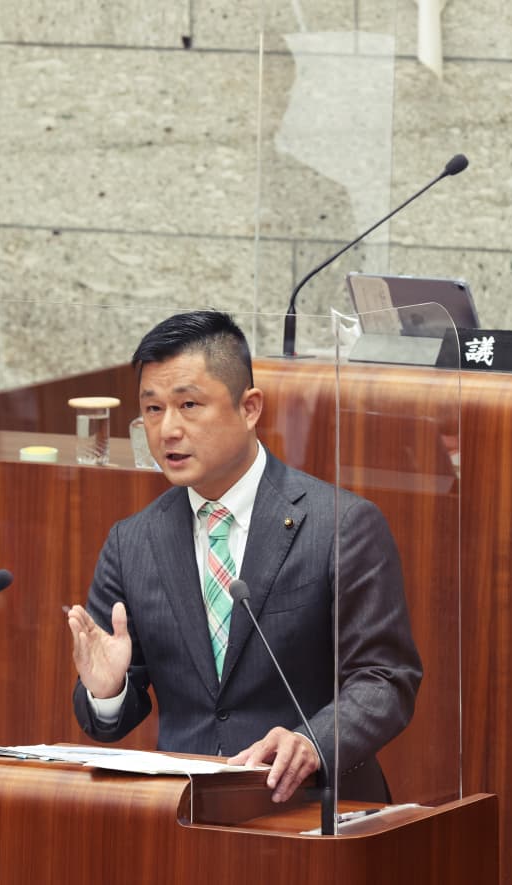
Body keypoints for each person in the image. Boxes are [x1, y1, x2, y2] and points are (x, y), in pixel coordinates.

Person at [66, 311, 421, 804]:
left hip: (313, 807)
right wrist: (107, 693)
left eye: (189, 404)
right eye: (152, 409)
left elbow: (385, 678)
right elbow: (109, 726)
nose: (168, 429)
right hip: (186, 815)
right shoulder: (132, 543)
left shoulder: (341, 524)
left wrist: (312, 743)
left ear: (250, 407)